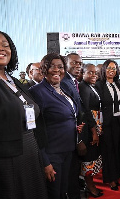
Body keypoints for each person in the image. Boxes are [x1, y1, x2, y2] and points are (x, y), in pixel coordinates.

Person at [0, 27, 47, 199]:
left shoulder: (13, 80)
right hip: (2, 162)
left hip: (29, 153)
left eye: (5, 45)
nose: (0, 48)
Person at [29, 53, 80, 199]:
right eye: (52, 66)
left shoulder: (62, 89)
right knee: (53, 193)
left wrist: (74, 125)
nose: (57, 70)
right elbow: (35, 130)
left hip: (67, 151)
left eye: (60, 67)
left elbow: (62, 117)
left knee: (63, 191)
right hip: (52, 155)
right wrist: (46, 162)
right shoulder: (37, 92)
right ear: (44, 69)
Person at [96, 59, 120, 191]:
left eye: (114, 68)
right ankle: (110, 178)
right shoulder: (99, 85)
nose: (111, 71)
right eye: (109, 68)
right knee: (108, 151)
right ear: (104, 70)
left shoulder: (119, 85)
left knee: (118, 149)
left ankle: (117, 174)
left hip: (118, 122)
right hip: (106, 123)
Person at [60, 53, 85, 199]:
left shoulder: (72, 81)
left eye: (80, 63)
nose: (78, 65)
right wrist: (79, 140)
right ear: (65, 63)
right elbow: (70, 113)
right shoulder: (64, 82)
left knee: (74, 172)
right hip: (70, 137)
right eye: (74, 63)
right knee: (70, 174)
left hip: (76, 134)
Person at [79, 63, 103, 198]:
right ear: (83, 73)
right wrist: (94, 131)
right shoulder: (83, 87)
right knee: (89, 158)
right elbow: (86, 111)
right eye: (90, 72)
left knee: (94, 156)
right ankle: (89, 186)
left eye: (95, 73)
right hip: (89, 130)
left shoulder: (90, 86)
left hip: (96, 125)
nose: (94, 75)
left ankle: (90, 184)